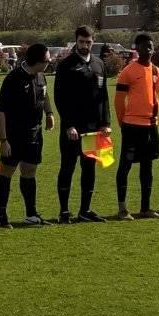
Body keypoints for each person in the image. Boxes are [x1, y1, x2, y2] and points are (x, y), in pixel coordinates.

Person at [0, 43, 53, 227]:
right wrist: (4, 140)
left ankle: (31, 214)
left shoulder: (41, 76)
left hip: (35, 134)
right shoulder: (14, 79)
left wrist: (49, 113)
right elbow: (0, 110)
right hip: (14, 135)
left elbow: (45, 95)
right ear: (37, 61)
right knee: (7, 172)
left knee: (29, 171)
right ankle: (2, 216)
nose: (49, 63)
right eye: (47, 61)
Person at [54, 28, 110, 223]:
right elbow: (60, 98)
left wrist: (105, 123)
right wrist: (69, 125)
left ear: (93, 41)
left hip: (93, 129)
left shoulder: (99, 64)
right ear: (75, 42)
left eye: (88, 42)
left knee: (89, 168)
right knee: (67, 168)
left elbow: (104, 96)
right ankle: (64, 211)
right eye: (81, 42)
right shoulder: (66, 66)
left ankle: (85, 210)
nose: (85, 45)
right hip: (73, 130)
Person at [113, 33, 159, 220]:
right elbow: (119, 101)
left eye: (150, 46)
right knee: (125, 166)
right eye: (143, 46)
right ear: (137, 49)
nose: (147, 49)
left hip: (151, 125)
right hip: (132, 126)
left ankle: (145, 208)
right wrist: (122, 123)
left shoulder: (157, 71)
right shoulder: (128, 71)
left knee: (147, 167)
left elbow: (155, 96)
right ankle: (122, 209)